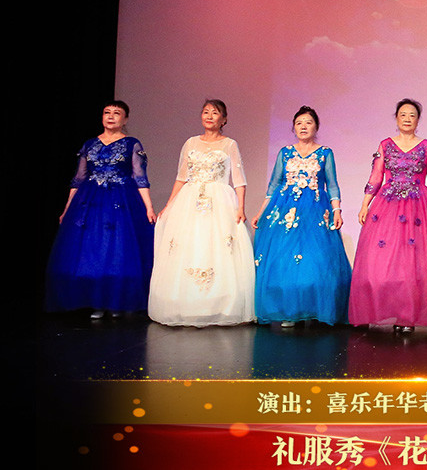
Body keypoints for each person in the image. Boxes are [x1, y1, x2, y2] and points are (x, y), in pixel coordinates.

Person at [148, 99, 256, 326]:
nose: (209, 116)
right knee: (189, 245)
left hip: (219, 201)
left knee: (216, 246)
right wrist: (168, 205)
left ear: (224, 119)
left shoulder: (229, 144)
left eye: (215, 113)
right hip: (190, 200)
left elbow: (239, 180)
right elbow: (181, 177)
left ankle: (218, 305)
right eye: (205, 112)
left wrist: (241, 207)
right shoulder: (190, 143)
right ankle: (184, 303)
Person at [45, 100, 156, 317]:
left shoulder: (131, 144)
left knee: (117, 249)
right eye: (107, 112)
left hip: (121, 200)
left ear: (125, 119)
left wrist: (149, 207)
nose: (111, 116)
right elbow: (79, 178)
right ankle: (96, 301)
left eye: (117, 113)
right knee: (91, 250)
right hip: (90, 200)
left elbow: (140, 177)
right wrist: (67, 208)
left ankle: (115, 302)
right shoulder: (90, 144)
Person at [348, 99, 427, 333]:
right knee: (383, 261)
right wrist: (364, 205)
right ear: (396, 118)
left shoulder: (426, 146)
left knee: (413, 263)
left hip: (418, 207)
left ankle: (407, 317)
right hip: (387, 205)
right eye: (403, 114)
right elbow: (376, 176)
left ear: (418, 120)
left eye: (412, 115)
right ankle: (382, 310)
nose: (407, 119)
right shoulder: (385, 145)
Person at [251, 106, 352, 326]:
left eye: (308, 122)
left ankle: (313, 309)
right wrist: (261, 212)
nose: (303, 127)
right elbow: (274, 185)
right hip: (286, 210)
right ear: (293, 128)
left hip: (316, 211)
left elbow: (332, 185)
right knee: (284, 259)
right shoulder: (285, 152)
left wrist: (337, 210)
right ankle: (289, 311)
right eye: (299, 123)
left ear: (316, 127)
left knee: (315, 260)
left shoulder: (325, 153)